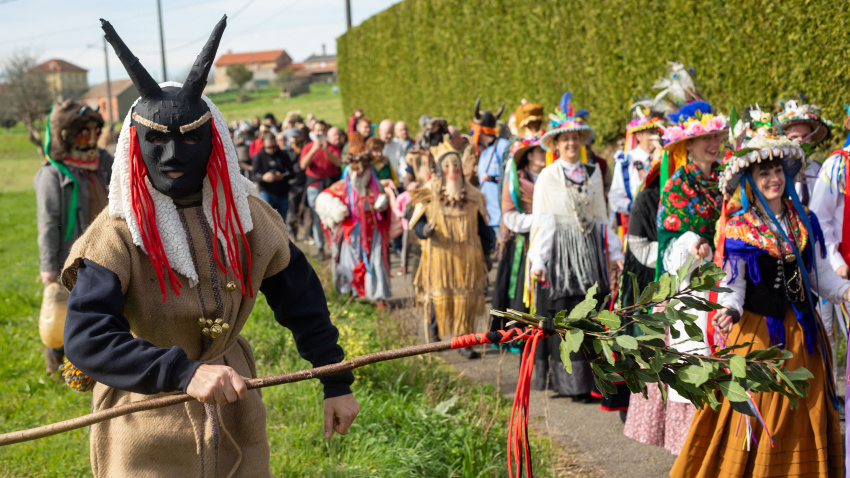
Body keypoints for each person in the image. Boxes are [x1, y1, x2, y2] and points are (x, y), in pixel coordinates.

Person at [61, 17, 359, 476]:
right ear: (134, 145)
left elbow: (301, 301)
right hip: (144, 417)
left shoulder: (248, 220)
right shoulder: (116, 234)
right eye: (156, 140)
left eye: (190, 138)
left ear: (214, 139)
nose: (173, 156)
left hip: (234, 407)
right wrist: (182, 372)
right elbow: (86, 338)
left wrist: (335, 378)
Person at [671, 122, 846, 478]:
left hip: (803, 338)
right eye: (764, 172)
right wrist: (728, 312)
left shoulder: (805, 220)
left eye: (778, 170)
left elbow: (819, 276)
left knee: (803, 411)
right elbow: (734, 287)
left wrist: (845, 290)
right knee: (757, 414)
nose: (774, 179)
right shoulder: (739, 228)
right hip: (758, 337)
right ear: (750, 180)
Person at [625, 98, 729, 455]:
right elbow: (668, 247)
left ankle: (725, 444)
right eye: (706, 138)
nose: (713, 143)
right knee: (695, 356)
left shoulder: (728, 177)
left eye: (717, 135)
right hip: (694, 285)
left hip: (730, 280)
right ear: (687, 144)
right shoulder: (676, 186)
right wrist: (693, 242)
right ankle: (693, 449)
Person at [527, 92, 623, 400]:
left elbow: (603, 217)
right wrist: (538, 262)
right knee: (566, 315)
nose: (570, 144)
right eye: (564, 139)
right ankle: (569, 382)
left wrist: (617, 254)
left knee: (591, 312)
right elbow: (542, 221)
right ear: (555, 145)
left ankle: (594, 381)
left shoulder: (593, 174)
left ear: (581, 141)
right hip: (562, 256)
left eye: (574, 138)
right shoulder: (547, 177)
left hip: (591, 251)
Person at [35, 99, 114, 374]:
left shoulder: (102, 163)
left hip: (104, 247)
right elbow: (48, 224)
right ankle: (54, 365)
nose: (91, 138)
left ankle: (91, 361)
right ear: (67, 135)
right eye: (84, 131)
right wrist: (48, 268)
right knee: (65, 313)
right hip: (69, 256)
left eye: (95, 131)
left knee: (100, 306)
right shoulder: (52, 175)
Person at [410, 137, 493, 357]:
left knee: (464, 299)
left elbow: (485, 230)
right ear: (439, 169)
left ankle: (463, 343)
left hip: (467, 258)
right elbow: (416, 223)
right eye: (447, 166)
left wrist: (487, 251)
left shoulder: (473, 195)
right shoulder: (430, 191)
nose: (453, 169)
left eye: (456, 165)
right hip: (440, 256)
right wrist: (425, 231)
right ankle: (434, 330)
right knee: (440, 295)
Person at [315, 132, 392, 308]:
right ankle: (355, 294)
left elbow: (384, 205)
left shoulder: (374, 186)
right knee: (350, 263)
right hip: (352, 232)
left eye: (365, 166)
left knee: (377, 263)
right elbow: (323, 198)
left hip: (373, 232)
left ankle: (379, 296)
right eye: (357, 166)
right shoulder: (344, 186)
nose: (361, 170)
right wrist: (336, 210)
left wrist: (383, 205)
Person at [490, 136, 544, 351]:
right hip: (522, 243)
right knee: (519, 291)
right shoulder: (516, 181)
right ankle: (518, 335)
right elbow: (509, 215)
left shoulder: (552, 176)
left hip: (547, 241)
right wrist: (539, 220)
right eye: (539, 151)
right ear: (529, 155)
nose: (543, 154)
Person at [608, 105, 664, 242]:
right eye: (650, 132)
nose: (655, 136)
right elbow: (615, 197)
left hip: (663, 225)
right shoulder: (626, 160)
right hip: (637, 227)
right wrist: (637, 208)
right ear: (639, 136)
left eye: (657, 131)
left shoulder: (665, 159)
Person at [776, 100, 833, 204]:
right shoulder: (776, 172)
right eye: (794, 137)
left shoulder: (820, 170)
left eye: (806, 136)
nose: (801, 141)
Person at [301, 119, 342, 260]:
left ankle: (335, 246)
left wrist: (325, 149)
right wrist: (314, 149)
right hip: (314, 187)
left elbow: (338, 162)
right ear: (313, 132)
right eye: (317, 131)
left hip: (330, 187)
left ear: (326, 132)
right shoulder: (308, 147)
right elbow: (303, 165)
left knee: (334, 217)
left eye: (322, 131)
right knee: (317, 218)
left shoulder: (333, 147)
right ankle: (320, 248)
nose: (320, 133)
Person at [469, 98, 509, 240]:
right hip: (487, 214)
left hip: (501, 214)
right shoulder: (484, 152)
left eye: (473, 130)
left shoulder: (503, 146)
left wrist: (492, 178)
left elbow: (511, 178)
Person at [252, 132, 294, 220]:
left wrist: (281, 176)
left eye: (274, 147)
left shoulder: (283, 154)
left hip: (282, 192)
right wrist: (263, 177)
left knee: (281, 221)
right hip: (266, 191)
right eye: (268, 147)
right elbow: (253, 175)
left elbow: (292, 172)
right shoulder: (259, 156)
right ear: (264, 145)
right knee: (268, 219)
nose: (271, 149)